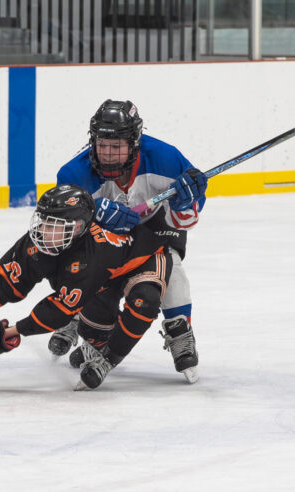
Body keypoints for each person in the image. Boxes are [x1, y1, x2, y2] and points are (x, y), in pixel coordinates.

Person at [0, 184, 174, 390]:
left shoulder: (91, 256)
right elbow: (5, 279)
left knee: (144, 302)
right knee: (95, 331)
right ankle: (94, 341)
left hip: (144, 261)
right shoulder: (45, 239)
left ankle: (108, 359)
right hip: (101, 278)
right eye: (44, 222)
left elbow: (57, 310)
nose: (44, 231)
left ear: (78, 227)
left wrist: (7, 334)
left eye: (55, 225)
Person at [49, 99, 207, 384]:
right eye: (102, 145)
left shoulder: (166, 159)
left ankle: (180, 329)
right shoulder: (73, 174)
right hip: (103, 238)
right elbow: (60, 237)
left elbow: (186, 220)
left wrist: (185, 203)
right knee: (83, 264)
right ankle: (76, 317)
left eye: (116, 146)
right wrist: (93, 217)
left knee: (169, 265)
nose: (108, 154)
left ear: (134, 143)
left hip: (155, 227)